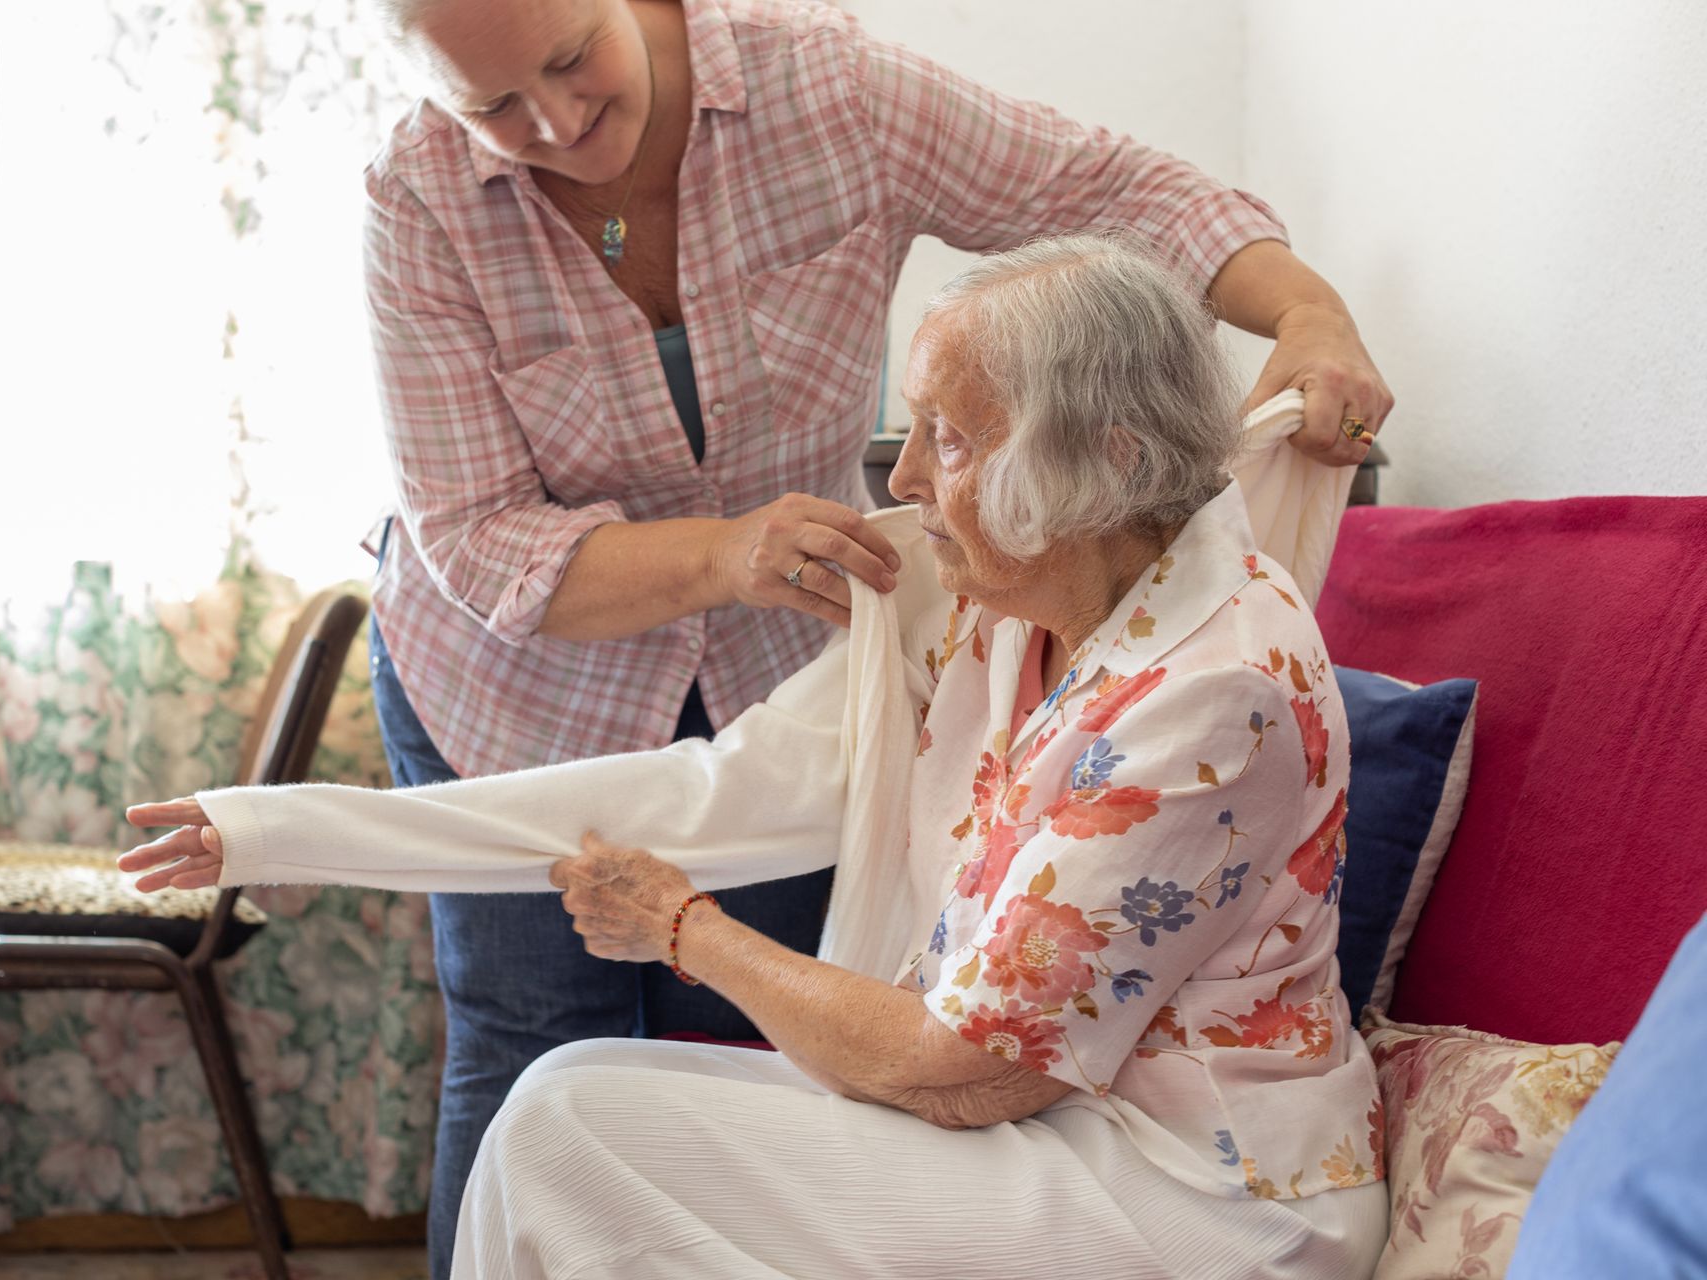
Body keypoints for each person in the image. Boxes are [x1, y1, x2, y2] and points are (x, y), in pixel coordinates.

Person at [123, 234, 1389, 1277]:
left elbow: (965, 1069)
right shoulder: (1006, 607)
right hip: (1054, 1115)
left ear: (1104, 460)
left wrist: (689, 931)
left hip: (1195, 1192)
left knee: (571, 1130)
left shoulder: (1216, 687)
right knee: (564, 1101)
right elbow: (701, 793)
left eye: (949, 437)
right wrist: (274, 827)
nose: (903, 476)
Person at [357, 0, 1389, 1267]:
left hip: (1158, 1145)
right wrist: (723, 551)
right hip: (524, 672)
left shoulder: (826, 92)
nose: (558, 126)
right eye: (494, 108)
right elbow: (474, 538)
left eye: (573, 62)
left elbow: (1117, 188)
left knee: (670, 1090)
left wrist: (1312, 310)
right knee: (529, 1047)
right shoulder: (418, 201)